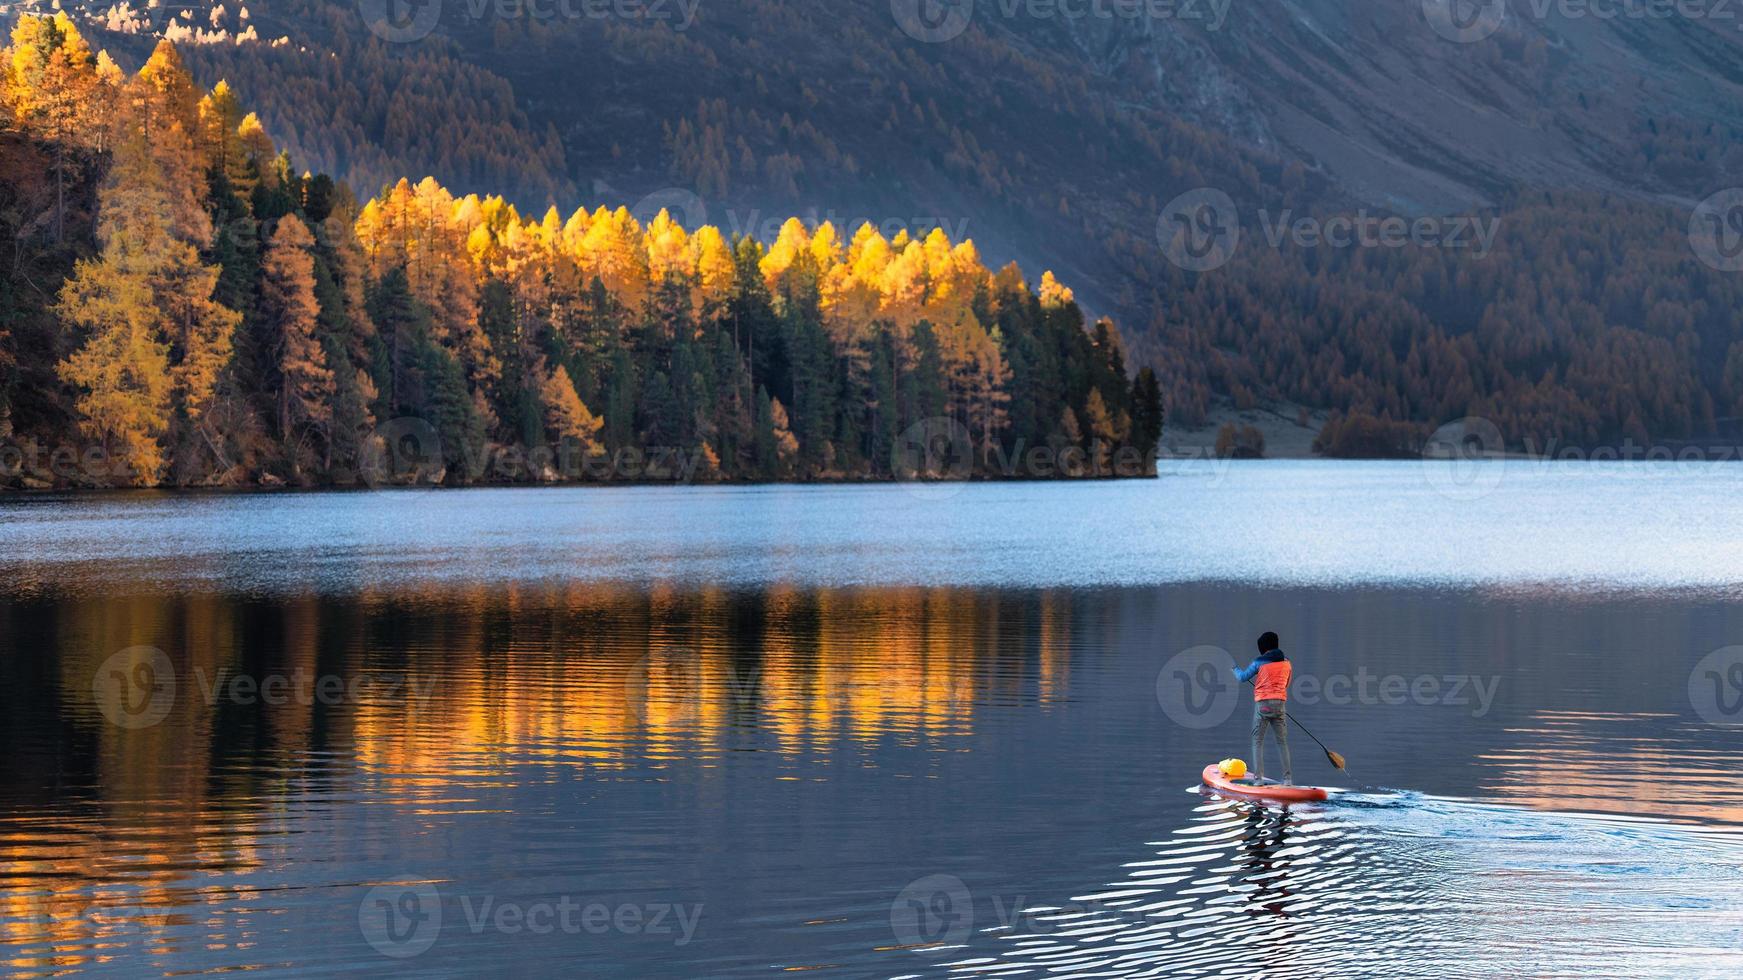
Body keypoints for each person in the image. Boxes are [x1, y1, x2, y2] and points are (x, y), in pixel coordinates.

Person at [1234, 631, 1292, 785]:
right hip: (1280, 705)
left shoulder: (1259, 662)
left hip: (1263, 706)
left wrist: (1234, 669)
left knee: (1257, 742)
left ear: (1264, 648)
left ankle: (1258, 779)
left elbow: (1242, 677)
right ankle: (1288, 780)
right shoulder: (1287, 662)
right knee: (1282, 742)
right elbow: (1286, 683)